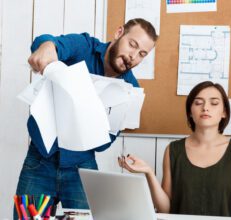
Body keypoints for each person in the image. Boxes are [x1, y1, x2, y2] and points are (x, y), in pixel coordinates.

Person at [15, 18, 158, 216]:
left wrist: (92, 119)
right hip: (40, 160)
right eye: (132, 45)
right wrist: (47, 45)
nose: (133, 56)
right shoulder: (85, 47)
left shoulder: (130, 91)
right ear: (118, 33)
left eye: (142, 54)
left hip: (81, 167)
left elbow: (103, 144)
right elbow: (50, 42)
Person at [118, 81, 231, 217]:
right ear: (190, 111)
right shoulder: (173, 150)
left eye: (214, 103)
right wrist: (149, 172)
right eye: (198, 103)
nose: (205, 108)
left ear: (224, 112)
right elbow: (167, 209)